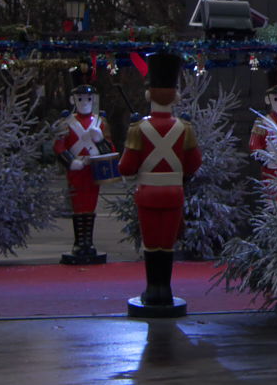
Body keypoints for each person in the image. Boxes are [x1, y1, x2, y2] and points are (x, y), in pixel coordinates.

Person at [119, 52, 202, 317]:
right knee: (167, 243)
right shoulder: (184, 128)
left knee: (151, 242)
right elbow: (194, 163)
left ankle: (152, 288)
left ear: (149, 94)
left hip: (147, 195)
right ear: (175, 95)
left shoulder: (137, 129)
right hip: (174, 194)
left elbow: (126, 167)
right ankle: (165, 289)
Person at [54, 71, 112, 265]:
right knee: (78, 207)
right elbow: (59, 146)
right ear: (73, 100)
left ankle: (89, 242)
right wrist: (71, 161)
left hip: (93, 170)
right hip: (76, 170)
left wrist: (100, 140)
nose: (84, 102)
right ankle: (79, 243)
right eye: (80, 98)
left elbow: (110, 149)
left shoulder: (100, 122)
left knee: (91, 206)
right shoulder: (66, 123)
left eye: (88, 98)